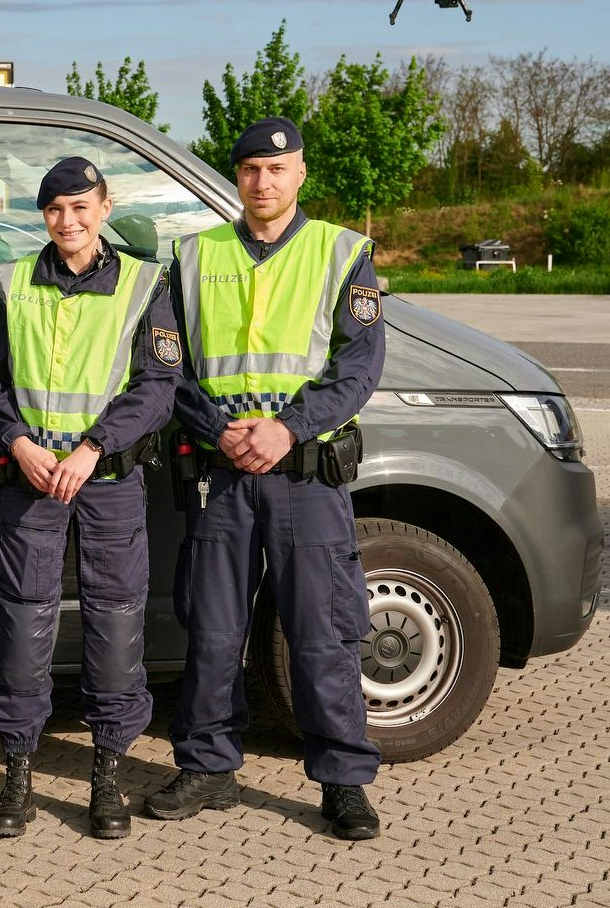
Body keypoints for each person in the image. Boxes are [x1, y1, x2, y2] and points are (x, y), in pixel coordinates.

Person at [147, 117, 386, 841]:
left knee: (323, 634)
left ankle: (343, 779)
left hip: (304, 477)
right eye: (250, 169)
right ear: (238, 177)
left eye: (276, 170)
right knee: (214, 631)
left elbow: (359, 365)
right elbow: (167, 366)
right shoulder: (192, 257)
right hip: (221, 475)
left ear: (300, 175)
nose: (263, 181)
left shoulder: (341, 253)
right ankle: (209, 767)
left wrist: (287, 428)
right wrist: (215, 427)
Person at [0, 156, 179, 839]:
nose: (69, 221)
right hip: (30, 479)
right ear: (45, 215)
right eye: (56, 209)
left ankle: (108, 776)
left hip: (107, 479)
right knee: (24, 626)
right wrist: (18, 443)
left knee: (115, 626)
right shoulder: (13, 281)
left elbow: (156, 388)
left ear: (105, 208)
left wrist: (92, 447)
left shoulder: (146, 286)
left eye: (82, 207)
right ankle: (17, 775)